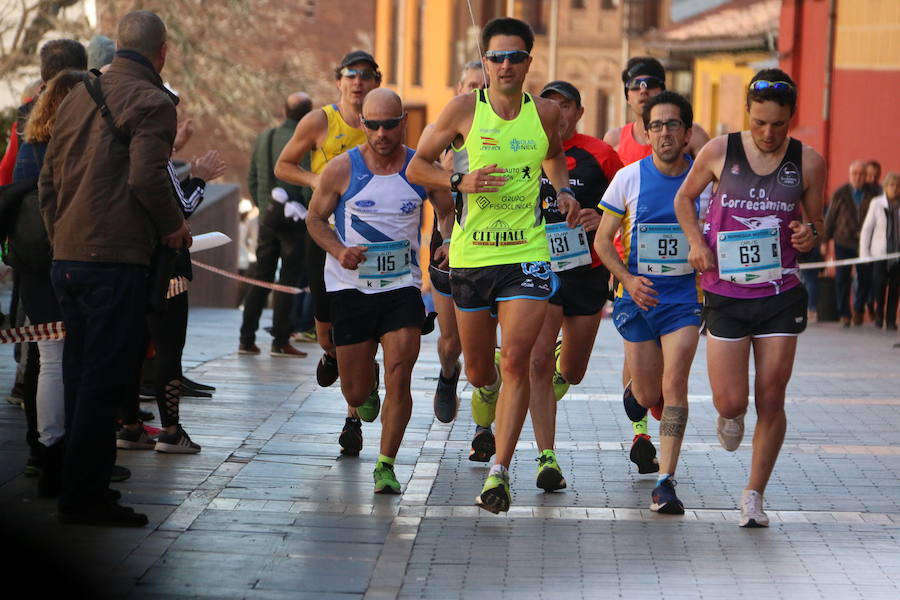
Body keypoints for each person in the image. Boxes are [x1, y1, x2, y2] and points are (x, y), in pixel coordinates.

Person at [407, 17, 579, 514]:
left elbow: (556, 157)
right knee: (483, 370)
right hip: (471, 256)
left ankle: (499, 473)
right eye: (496, 57)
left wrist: (563, 191)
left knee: (517, 361)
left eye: (515, 57)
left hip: (526, 252)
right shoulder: (464, 109)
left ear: (529, 61)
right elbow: (417, 166)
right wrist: (459, 183)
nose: (505, 65)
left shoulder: (544, 112)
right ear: (484, 62)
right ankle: (476, 385)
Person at [39, 10, 191, 526]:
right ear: (162, 52)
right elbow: (147, 178)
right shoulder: (154, 101)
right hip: (115, 262)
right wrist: (174, 227)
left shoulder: (75, 95)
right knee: (104, 382)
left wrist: (62, 236)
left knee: (80, 376)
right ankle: (85, 499)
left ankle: (71, 485)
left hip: (67, 258)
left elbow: (48, 182)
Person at [674, 68, 826, 527]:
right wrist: (697, 244)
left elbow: (818, 226)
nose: (768, 133)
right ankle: (729, 415)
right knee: (730, 401)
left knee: (771, 397)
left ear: (791, 118)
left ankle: (754, 494)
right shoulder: (720, 151)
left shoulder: (810, 162)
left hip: (781, 292)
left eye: (778, 124)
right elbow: (685, 200)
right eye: (760, 122)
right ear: (747, 113)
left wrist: (808, 234)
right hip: (726, 292)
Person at [307, 89, 440, 493]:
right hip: (350, 288)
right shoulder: (340, 169)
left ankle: (386, 464)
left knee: (403, 376)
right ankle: (367, 380)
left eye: (390, 124)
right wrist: (339, 249)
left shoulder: (420, 167)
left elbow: (449, 211)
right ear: (362, 124)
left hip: (401, 287)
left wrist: (446, 242)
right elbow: (314, 219)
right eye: (373, 125)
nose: (382, 133)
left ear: (403, 122)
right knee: (356, 391)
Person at [596, 91, 702, 514]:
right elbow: (603, 242)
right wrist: (627, 279)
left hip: (682, 301)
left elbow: (713, 238)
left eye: (673, 124)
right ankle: (637, 393)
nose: (664, 133)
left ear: (688, 132)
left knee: (675, 384)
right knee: (647, 392)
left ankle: (666, 480)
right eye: (656, 126)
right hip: (637, 299)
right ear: (645, 132)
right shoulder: (628, 178)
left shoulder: (701, 182)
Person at [274, 50, 381, 454]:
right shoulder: (320, 120)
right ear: (339, 81)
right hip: (323, 233)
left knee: (366, 328)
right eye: (351, 76)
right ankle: (335, 355)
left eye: (366, 76)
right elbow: (284, 165)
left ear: (375, 81)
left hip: (371, 241)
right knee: (326, 332)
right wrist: (318, 179)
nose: (358, 83)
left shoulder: (382, 124)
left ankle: (352, 418)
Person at [526, 80, 622, 491]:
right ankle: (546, 456)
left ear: (579, 113)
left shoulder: (600, 154)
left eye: (566, 106)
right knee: (537, 362)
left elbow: (628, 203)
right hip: (539, 268)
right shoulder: (524, 148)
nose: (559, 114)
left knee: (573, 372)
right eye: (551, 106)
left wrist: (604, 221)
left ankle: (565, 356)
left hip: (587, 269)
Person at [8, 70, 86, 496]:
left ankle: (44, 447)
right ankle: (60, 449)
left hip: (31, 259)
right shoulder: (71, 145)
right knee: (64, 358)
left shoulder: (30, 142)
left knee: (46, 355)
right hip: (66, 255)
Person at [430, 60, 486, 427]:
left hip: (493, 246)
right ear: (457, 90)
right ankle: (448, 373)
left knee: (489, 347)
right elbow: (441, 207)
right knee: (452, 342)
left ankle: (485, 423)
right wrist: (451, 175)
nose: (474, 94)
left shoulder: (503, 136)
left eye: (481, 87)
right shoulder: (444, 138)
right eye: (469, 86)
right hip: (448, 242)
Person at [238, 92, 314, 357]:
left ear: (284, 110)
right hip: (295, 219)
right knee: (288, 280)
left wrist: (264, 206)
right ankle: (281, 339)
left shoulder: (265, 138)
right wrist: (308, 211)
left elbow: (253, 179)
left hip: (268, 218)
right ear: (308, 115)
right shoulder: (306, 140)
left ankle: (246, 338)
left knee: (260, 277)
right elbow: (307, 179)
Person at [0, 39, 87, 185]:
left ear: (43, 73)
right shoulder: (98, 107)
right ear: (84, 69)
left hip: (38, 202)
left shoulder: (27, 114)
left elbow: (7, 171)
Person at [824, 160, 881, 326]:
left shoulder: (874, 192)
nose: (858, 177)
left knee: (865, 279)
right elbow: (830, 217)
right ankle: (844, 314)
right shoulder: (840, 193)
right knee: (842, 278)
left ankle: (858, 309)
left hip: (865, 243)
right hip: (843, 241)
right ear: (850, 175)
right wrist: (825, 240)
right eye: (855, 174)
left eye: (861, 174)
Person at [860, 172, 900, 329]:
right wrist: (865, 253)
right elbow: (867, 229)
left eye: (898, 186)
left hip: (897, 254)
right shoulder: (876, 203)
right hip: (880, 253)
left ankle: (891, 320)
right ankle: (879, 315)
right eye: (892, 185)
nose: (895, 189)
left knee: (895, 287)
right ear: (885, 187)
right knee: (879, 285)